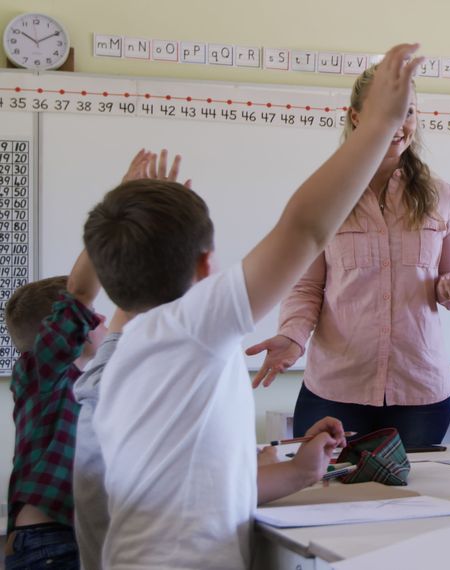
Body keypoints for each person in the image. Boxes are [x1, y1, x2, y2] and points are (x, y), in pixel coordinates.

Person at [86, 44, 424, 568]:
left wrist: (298, 471)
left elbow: (197, 492)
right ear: (205, 266)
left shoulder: (126, 352)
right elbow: (305, 229)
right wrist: (378, 126)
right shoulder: (190, 326)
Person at [247, 63, 450, 446]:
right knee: (327, 499)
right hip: (336, 387)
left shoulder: (441, 195)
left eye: (408, 111)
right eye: (386, 112)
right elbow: (307, 287)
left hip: (420, 392)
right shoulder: (326, 195)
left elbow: (448, 286)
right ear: (357, 117)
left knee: (410, 501)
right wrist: (293, 338)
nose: (400, 122)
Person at [4, 251, 107, 569]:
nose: (103, 320)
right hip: (51, 542)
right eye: (94, 314)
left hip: (67, 538)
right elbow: (76, 301)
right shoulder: (41, 369)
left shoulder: (82, 386)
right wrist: (108, 236)